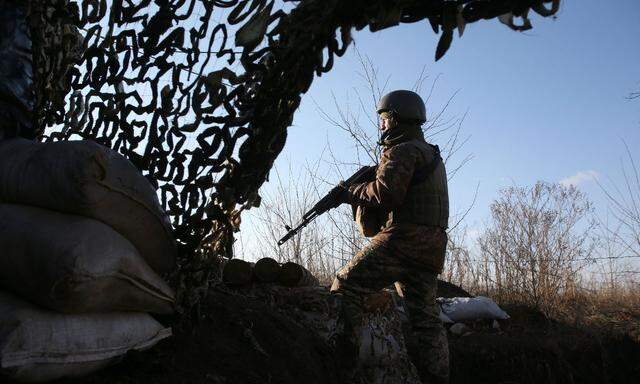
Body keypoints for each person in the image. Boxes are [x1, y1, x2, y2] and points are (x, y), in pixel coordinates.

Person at [330, 89, 450, 384]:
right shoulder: (430, 153)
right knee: (426, 321)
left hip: (403, 241)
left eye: (384, 119)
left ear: (395, 119)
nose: (381, 125)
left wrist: (350, 192)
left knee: (346, 284)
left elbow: (386, 193)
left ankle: (341, 365)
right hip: (431, 247)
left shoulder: (403, 151)